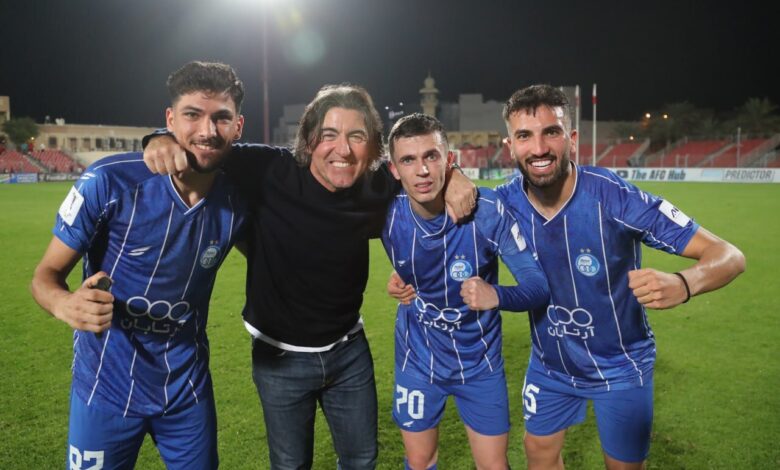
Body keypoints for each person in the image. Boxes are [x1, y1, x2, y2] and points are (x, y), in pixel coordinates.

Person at [391, 85, 745, 469]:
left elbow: (729, 256)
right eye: (524, 136)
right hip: (550, 367)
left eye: (551, 132)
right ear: (510, 146)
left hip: (621, 367)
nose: (539, 148)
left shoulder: (615, 197)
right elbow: (443, 227)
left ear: (572, 139)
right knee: (538, 454)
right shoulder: (504, 203)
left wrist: (684, 283)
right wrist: (454, 176)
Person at [142, 86, 476, 469]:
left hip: (349, 352)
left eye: (356, 136)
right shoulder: (268, 168)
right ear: (308, 138)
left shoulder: (375, 186)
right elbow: (208, 148)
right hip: (279, 358)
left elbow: (421, 171)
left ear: (372, 147)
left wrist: (455, 176)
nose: (343, 149)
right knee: (290, 465)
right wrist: (161, 137)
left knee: (362, 460)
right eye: (329, 134)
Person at [30, 61, 249, 469]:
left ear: (238, 126)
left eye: (221, 117)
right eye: (192, 114)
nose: (207, 130)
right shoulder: (108, 181)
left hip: (186, 391)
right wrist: (64, 304)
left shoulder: (238, 201)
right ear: (170, 119)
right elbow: (45, 276)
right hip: (104, 389)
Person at [382, 114, 550, 469]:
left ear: (449, 159)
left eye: (431, 156)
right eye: (408, 160)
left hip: (480, 365)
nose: (422, 170)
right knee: (419, 461)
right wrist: (400, 277)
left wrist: (496, 295)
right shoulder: (386, 213)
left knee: (493, 465)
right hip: (418, 361)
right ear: (394, 169)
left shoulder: (487, 212)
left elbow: (538, 287)